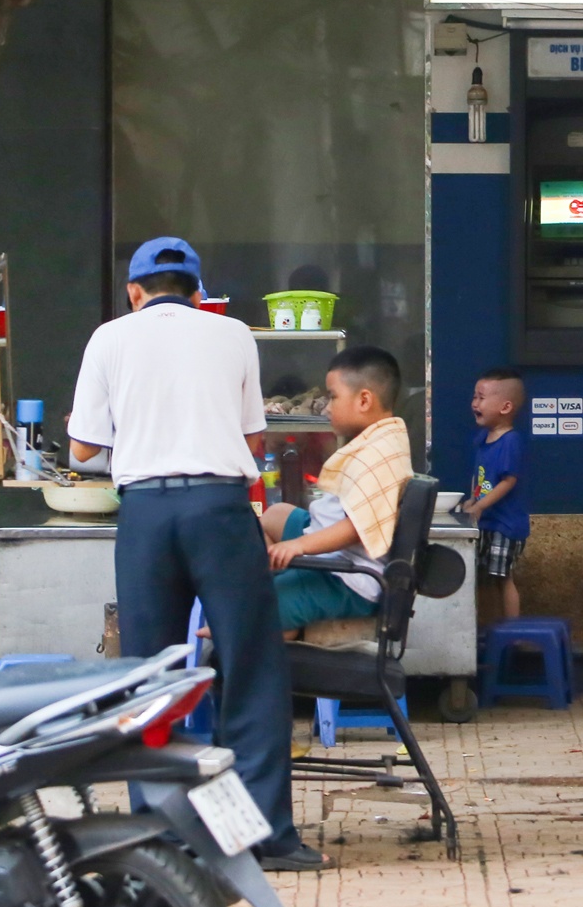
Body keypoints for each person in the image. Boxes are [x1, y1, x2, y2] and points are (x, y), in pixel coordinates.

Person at [67, 236, 326, 871]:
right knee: (252, 667)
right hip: (221, 509)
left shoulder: (109, 337)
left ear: (135, 291)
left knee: (151, 676)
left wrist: (136, 449)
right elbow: (255, 436)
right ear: (197, 290)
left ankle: (158, 839)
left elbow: (80, 451)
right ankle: (267, 838)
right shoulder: (234, 333)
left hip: (147, 515)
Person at [259, 346, 411, 634]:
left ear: (364, 400)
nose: (327, 407)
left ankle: (282, 621)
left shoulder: (377, 454)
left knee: (261, 602)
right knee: (276, 514)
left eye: (333, 396)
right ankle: (287, 583)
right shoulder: (381, 437)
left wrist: (297, 546)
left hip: (347, 577)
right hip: (334, 550)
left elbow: (356, 528)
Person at [458, 368, 528, 621]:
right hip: (486, 521)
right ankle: (488, 629)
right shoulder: (483, 438)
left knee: (503, 578)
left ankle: (513, 631)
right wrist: (473, 499)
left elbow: (508, 481)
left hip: (505, 525)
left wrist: (480, 506)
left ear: (505, 406)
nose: (474, 403)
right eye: (474, 397)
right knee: (484, 578)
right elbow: (479, 474)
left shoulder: (510, 441)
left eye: (481, 397)